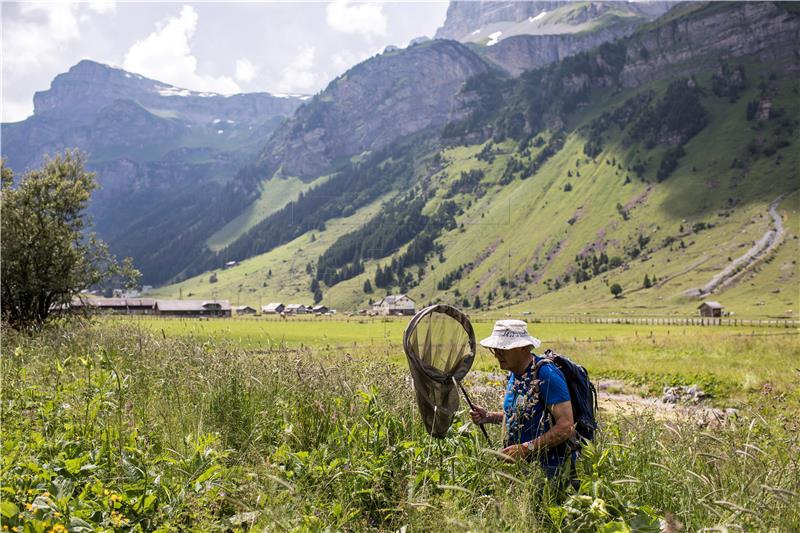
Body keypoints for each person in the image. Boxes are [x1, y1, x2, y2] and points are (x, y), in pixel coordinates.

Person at [470, 320, 577, 480]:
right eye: (494, 349)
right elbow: (524, 417)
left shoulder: (546, 374)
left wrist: (527, 448)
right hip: (522, 470)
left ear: (523, 348)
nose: (497, 354)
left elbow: (566, 427)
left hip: (551, 472)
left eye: (503, 349)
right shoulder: (515, 374)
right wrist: (489, 417)